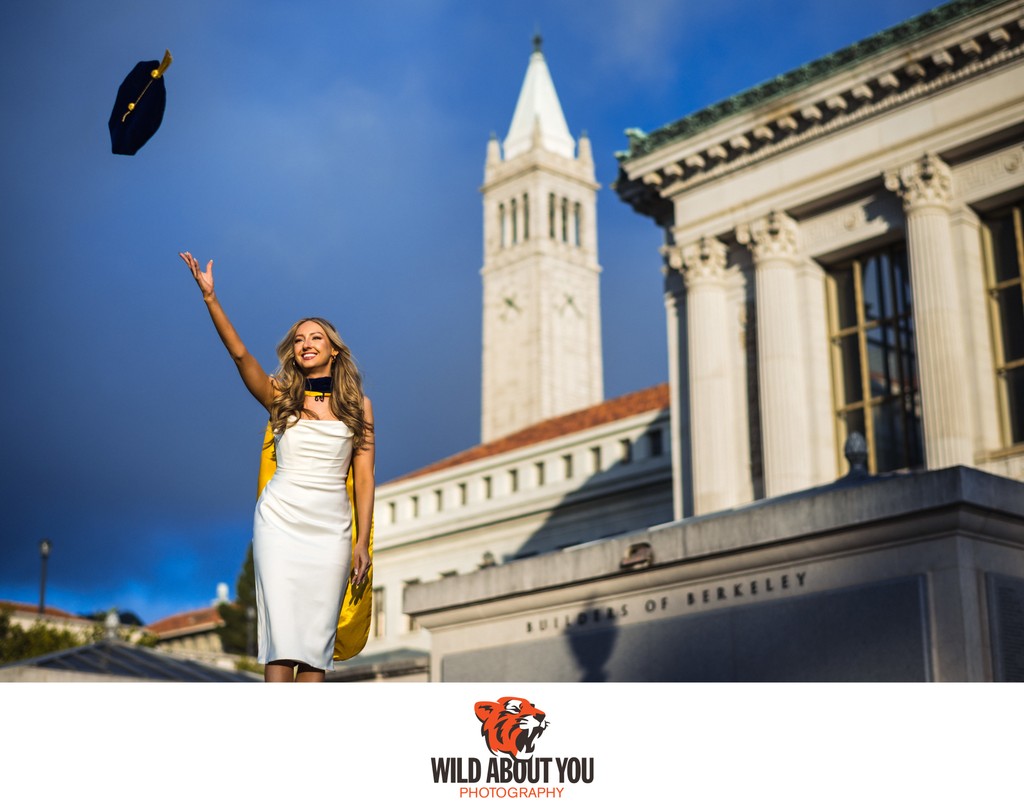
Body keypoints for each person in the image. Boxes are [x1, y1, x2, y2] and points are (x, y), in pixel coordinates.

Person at [178, 251, 374, 682]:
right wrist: (211, 298)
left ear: (334, 351)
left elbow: (364, 476)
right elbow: (240, 355)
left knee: (316, 649)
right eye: (300, 338)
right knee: (282, 644)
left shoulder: (358, 407)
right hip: (280, 523)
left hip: (332, 531)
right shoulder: (280, 395)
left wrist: (361, 541)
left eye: (316, 337)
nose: (306, 343)